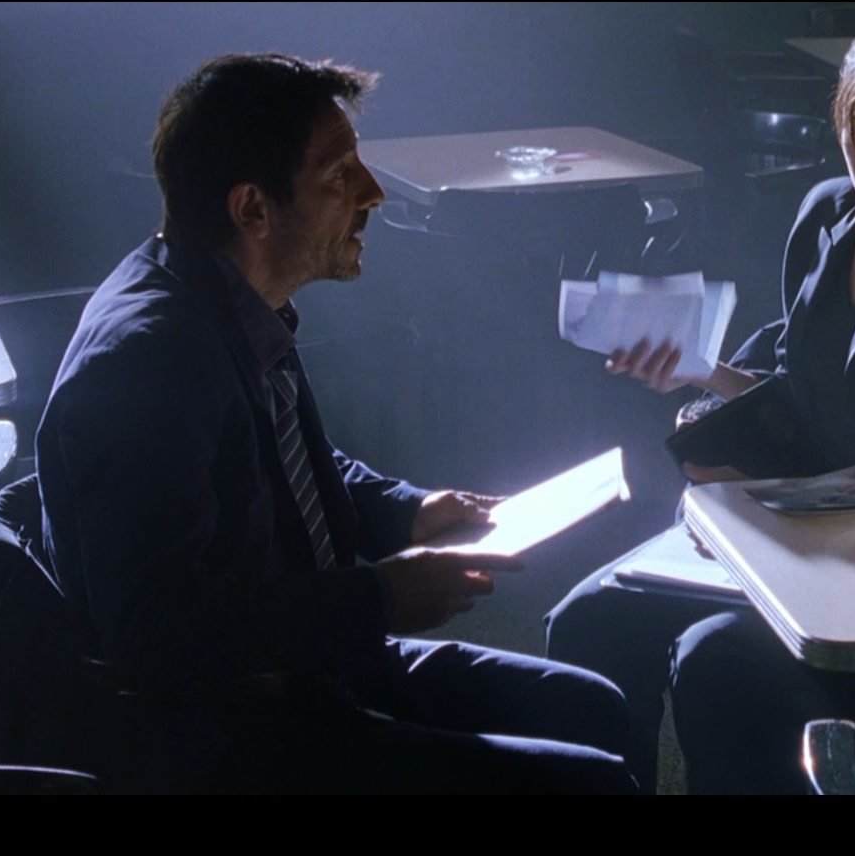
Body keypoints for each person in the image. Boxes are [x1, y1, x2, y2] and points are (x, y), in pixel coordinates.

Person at [35, 53, 635, 793]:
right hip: (236, 732)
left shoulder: (224, 297)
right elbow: (156, 635)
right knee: (592, 782)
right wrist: (378, 598)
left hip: (316, 665)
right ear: (253, 209)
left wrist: (410, 510)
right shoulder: (151, 359)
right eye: (338, 174)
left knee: (591, 708)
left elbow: (276, 463)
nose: (373, 192)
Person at [545, 8, 855, 792]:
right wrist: (706, 375)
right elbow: (798, 384)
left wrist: (765, 470)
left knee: (717, 664)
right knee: (585, 623)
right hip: (775, 519)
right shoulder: (826, 215)